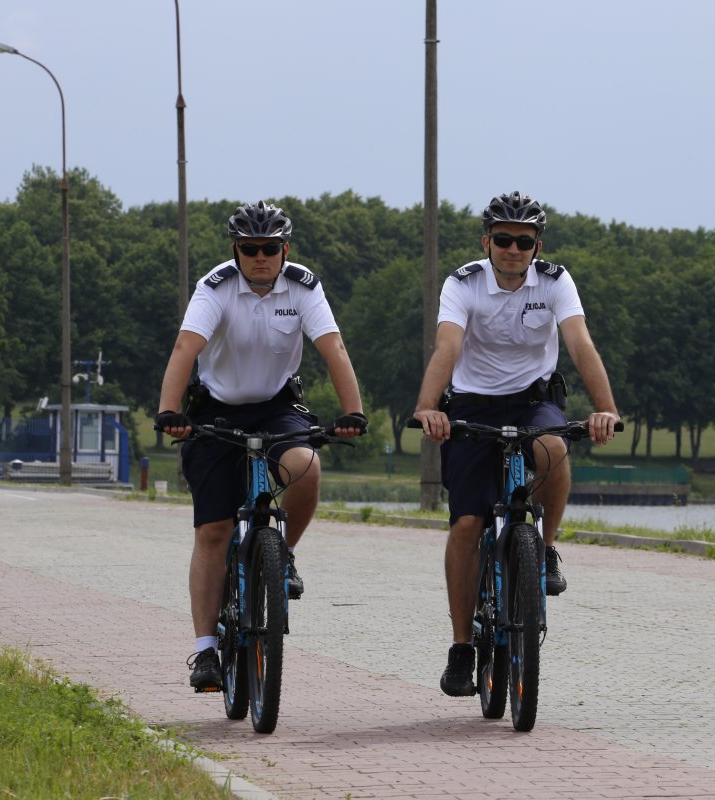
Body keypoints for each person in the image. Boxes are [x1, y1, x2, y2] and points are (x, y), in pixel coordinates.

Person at [411, 190, 622, 697]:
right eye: (502, 239)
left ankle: (545, 549)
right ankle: (462, 647)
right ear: (487, 241)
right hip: (470, 406)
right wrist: (428, 406)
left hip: (531, 400)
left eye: (523, 241)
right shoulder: (464, 283)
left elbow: (579, 343)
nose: (512, 249)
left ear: (536, 244)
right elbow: (448, 346)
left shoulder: (554, 280)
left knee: (553, 447)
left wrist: (606, 408)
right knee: (466, 524)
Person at [155, 200, 367, 692]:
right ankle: (206, 651)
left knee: (306, 467)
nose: (260, 258)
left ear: (284, 249)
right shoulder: (216, 287)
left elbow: (333, 348)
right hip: (216, 411)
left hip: (276, 406)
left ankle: (282, 555)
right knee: (214, 530)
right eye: (250, 249)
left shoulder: (303, 286)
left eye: (269, 249)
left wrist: (353, 412)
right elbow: (185, 348)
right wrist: (171, 412)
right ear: (236, 251)